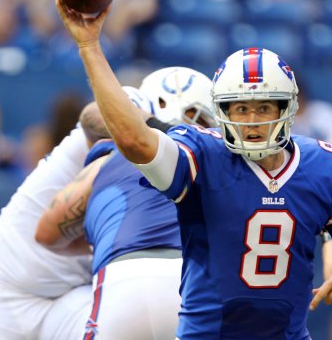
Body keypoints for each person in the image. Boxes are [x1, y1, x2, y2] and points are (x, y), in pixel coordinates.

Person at [55, 0, 332, 338]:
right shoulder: (202, 156)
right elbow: (134, 140)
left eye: (263, 108)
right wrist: (89, 46)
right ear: (222, 113)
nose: (252, 121)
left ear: (287, 110)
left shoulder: (328, 168)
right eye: (240, 109)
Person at [36, 70, 215, 339]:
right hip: (193, 283)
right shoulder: (222, 160)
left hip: (122, 280)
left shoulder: (108, 157)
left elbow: (47, 232)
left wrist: (101, 238)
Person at [0, 108, 94, 339]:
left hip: (68, 299)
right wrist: (155, 129)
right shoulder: (84, 149)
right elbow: (95, 117)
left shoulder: (165, 176)